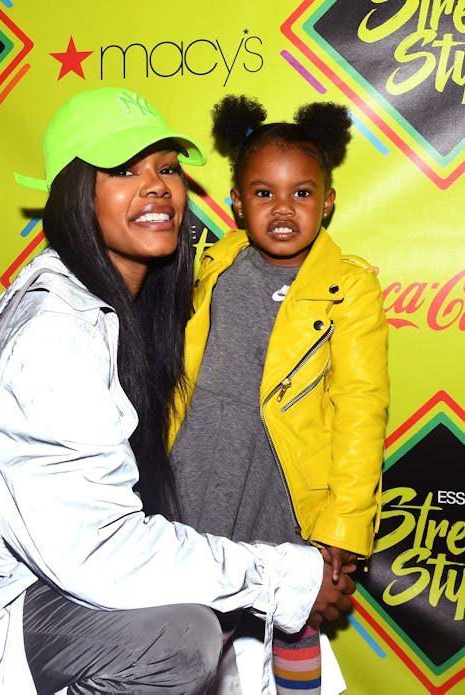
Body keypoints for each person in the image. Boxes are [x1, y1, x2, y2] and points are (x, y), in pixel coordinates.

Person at [0, 87, 355, 695]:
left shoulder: (146, 311)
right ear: (76, 195)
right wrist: (284, 575)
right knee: (179, 641)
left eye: (167, 169)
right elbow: (100, 548)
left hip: (61, 582)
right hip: (2, 598)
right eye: (123, 170)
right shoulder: (53, 335)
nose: (156, 186)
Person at [169, 95, 390, 694]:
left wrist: (343, 528)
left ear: (329, 201)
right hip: (197, 476)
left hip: (289, 492)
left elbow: (362, 410)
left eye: (302, 192)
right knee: (190, 627)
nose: (284, 209)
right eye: (264, 193)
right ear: (237, 202)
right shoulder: (209, 265)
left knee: (293, 626)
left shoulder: (351, 288)